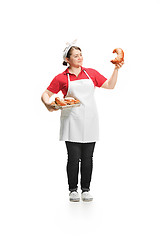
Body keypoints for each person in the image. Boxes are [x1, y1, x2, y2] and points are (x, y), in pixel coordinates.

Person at [41, 41, 124, 202]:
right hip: (71, 121)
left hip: (90, 119)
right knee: (73, 157)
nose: (80, 58)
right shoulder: (61, 78)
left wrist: (116, 69)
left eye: (81, 54)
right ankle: (73, 190)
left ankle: (86, 189)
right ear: (67, 59)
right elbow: (45, 94)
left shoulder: (91, 73)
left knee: (88, 157)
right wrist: (48, 104)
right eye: (76, 55)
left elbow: (110, 85)